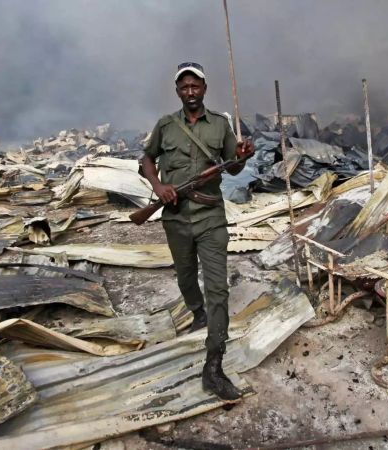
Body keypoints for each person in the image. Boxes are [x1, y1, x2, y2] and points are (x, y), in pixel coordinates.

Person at [140, 62, 254, 401]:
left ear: (204, 88)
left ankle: (214, 366)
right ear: (178, 91)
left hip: (210, 218)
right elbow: (146, 158)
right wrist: (159, 186)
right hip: (175, 218)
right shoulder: (166, 125)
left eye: (196, 86)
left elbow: (233, 167)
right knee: (186, 278)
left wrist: (242, 157)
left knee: (217, 287)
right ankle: (197, 313)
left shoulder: (220, 125)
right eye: (184, 87)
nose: (190, 92)